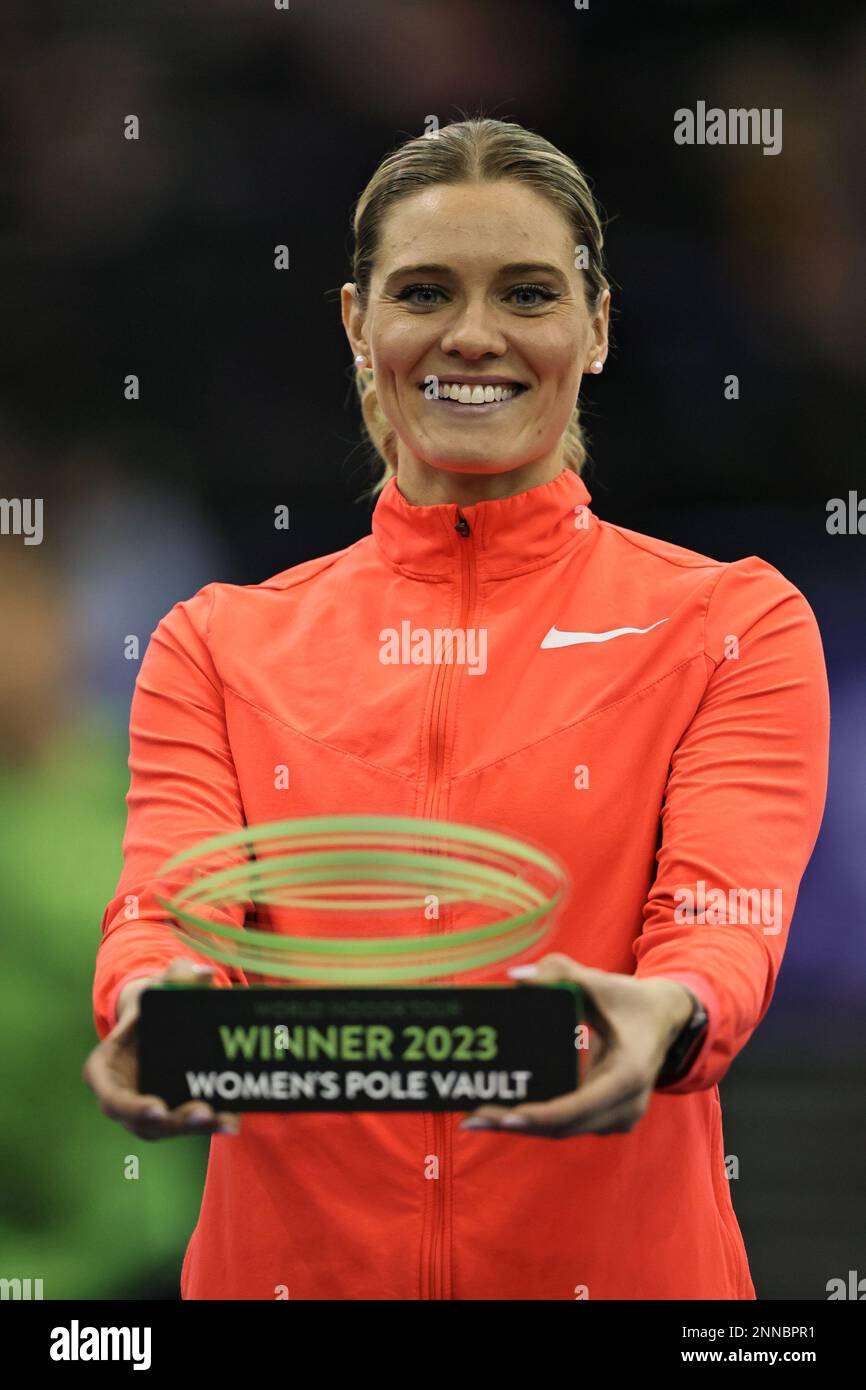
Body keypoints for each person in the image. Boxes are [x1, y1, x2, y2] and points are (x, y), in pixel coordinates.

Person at [84, 117, 830, 1300]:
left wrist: (668, 1013)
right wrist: (154, 1004)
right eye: (424, 290)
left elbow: (718, 918)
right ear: (355, 324)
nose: (472, 335)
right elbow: (166, 917)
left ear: (594, 330)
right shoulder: (215, 642)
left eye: (528, 294)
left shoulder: (731, 622)